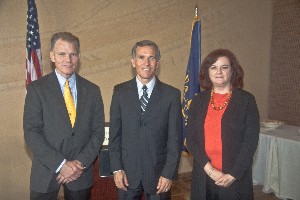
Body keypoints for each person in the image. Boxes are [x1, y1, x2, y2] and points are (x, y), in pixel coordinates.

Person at [24, 32, 105, 200]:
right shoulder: (37, 89)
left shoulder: (93, 91)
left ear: (78, 57)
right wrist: (61, 165)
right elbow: (32, 132)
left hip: (80, 174)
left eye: (73, 54)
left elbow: (98, 132)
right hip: (45, 171)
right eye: (62, 54)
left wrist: (79, 165)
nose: (68, 60)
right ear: (52, 56)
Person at [109, 40, 183, 200]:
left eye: (152, 58)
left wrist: (168, 173)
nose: (146, 63)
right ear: (133, 61)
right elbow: (115, 136)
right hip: (127, 174)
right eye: (141, 57)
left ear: (158, 62)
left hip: (159, 176)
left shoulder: (172, 95)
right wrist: (116, 168)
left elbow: (175, 140)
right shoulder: (120, 92)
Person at [186, 49, 260, 200]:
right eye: (213, 67)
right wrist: (210, 170)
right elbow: (191, 140)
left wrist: (233, 174)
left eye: (224, 67)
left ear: (233, 71)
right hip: (204, 174)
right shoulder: (198, 101)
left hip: (234, 177)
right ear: (207, 72)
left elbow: (250, 142)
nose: (218, 71)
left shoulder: (246, 101)